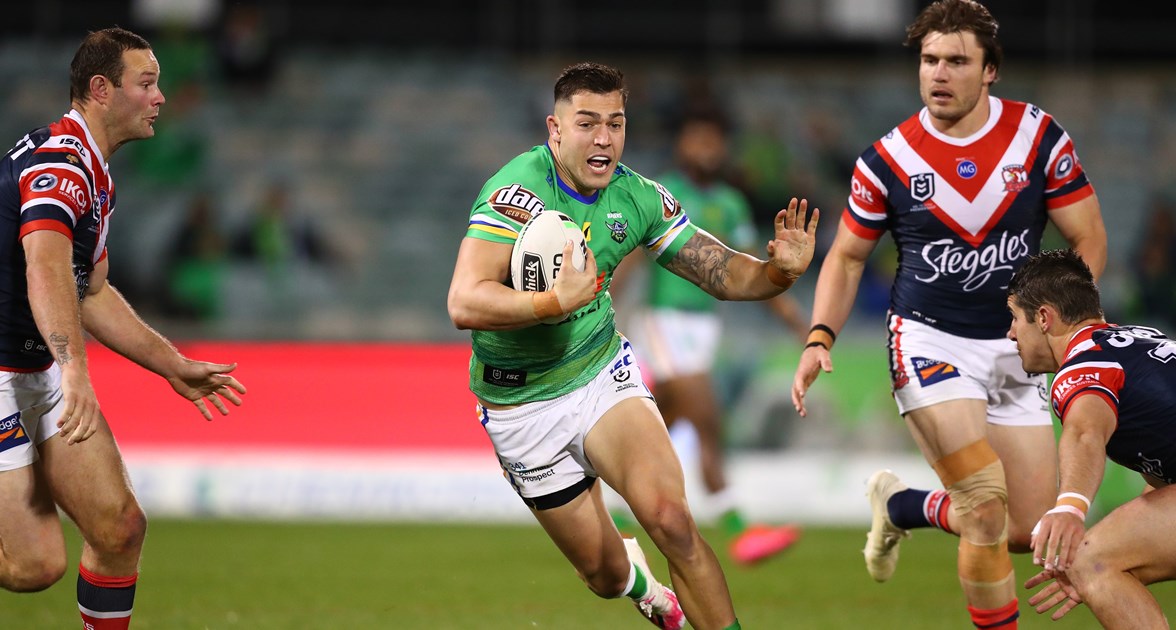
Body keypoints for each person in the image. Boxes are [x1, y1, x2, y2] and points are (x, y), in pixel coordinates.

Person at [447, 62, 818, 630]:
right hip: (520, 405)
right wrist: (552, 303)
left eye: (615, 124)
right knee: (601, 574)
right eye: (587, 123)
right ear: (555, 130)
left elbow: (721, 271)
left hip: (600, 375)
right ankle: (643, 587)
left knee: (672, 521)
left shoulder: (638, 197)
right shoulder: (514, 193)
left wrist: (778, 273)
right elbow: (464, 302)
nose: (603, 138)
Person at [789, 1, 1106, 628]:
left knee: (1025, 531)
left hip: (1020, 348)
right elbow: (847, 258)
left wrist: (1067, 326)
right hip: (929, 340)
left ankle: (902, 505)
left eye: (957, 61)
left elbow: (1088, 237)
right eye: (930, 60)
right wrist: (819, 336)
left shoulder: (1038, 138)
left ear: (990, 70)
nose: (938, 73)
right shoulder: (888, 160)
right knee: (984, 505)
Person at [0, 28, 246, 629]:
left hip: (34, 368)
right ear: (101, 89)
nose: (160, 97)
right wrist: (76, 370)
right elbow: (45, 268)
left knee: (120, 528)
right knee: (34, 566)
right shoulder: (60, 163)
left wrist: (171, 364)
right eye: (147, 83)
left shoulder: (96, 174)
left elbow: (91, 292)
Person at [619, 112, 806, 565]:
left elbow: (751, 270)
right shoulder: (661, 193)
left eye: (712, 141)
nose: (705, 149)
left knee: (663, 424)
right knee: (707, 418)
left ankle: (618, 512)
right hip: (665, 320)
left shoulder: (730, 204)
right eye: (696, 140)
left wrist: (798, 322)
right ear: (681, 145)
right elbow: (632, 258)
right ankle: (739, 527)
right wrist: (599, 300)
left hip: (704, 327)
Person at [1005, 249, 1176, 629]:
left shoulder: (1083, 366)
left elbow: (1085, 432)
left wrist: (1069, 508)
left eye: (1015, 318)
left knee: (1089, 559)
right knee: (1098, 562)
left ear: (1044, 318)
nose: (1011, 333)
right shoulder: (1139, 340)